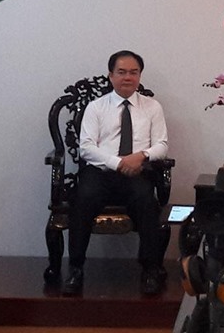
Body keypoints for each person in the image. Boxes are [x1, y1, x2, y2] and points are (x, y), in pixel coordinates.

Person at [63, 50, 169, 296]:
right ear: (111, 75)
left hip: (137, 171)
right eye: (121, 72)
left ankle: (150, 269)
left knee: (147, 202)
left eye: (133, 72)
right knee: (82, 199)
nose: (127, 77)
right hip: (101, 172)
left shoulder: (152, 107)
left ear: (139, 76)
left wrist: (141, 156)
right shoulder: (96, 107)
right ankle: (76, 268)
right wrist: (117, 163)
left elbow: (162, 145)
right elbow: (86, 148)